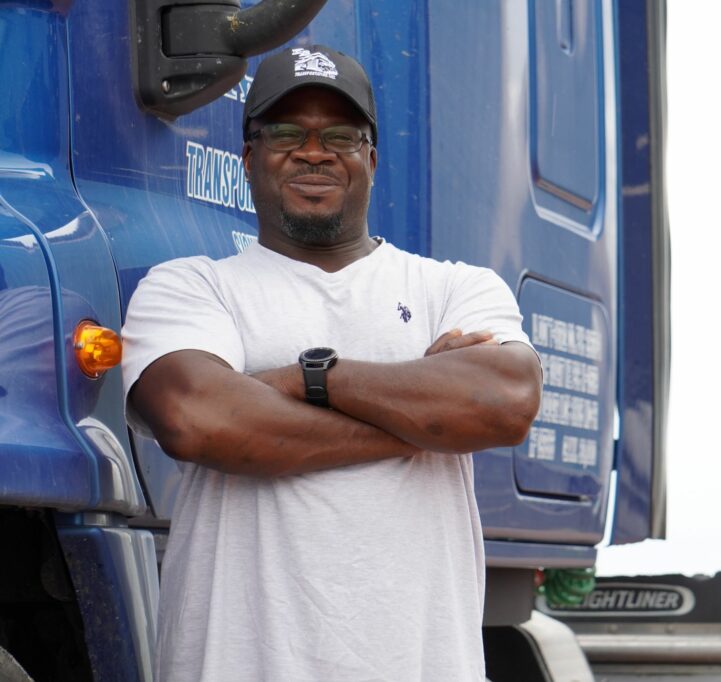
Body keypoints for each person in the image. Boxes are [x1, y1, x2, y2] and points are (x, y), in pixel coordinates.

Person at [122, 45, 542, 682]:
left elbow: (506, 404)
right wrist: (419, 422)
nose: (313, 151)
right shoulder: (190, 288)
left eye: (339, 135)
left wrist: (307, 379)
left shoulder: (456, 289)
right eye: (285, 132)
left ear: (370, 159)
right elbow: (196, 420)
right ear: (248, 156)